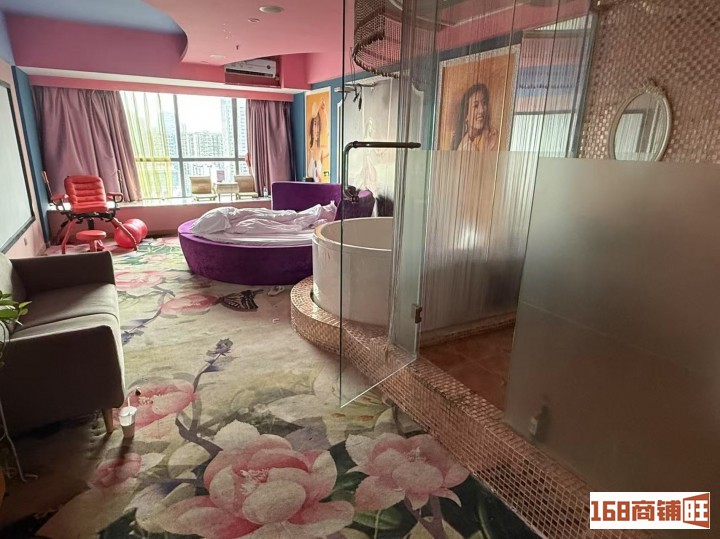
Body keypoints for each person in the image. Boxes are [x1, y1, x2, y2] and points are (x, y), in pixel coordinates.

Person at [452, 83, 499, 151]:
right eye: (476, 106)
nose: (481, 110)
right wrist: (488, 148)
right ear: (466, 116)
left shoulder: (484, 137)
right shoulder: (467, 147)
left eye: (484, 103)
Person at [307, 99, 330, 182]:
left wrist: (325, 112)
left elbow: (329, 135)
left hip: (320, 188)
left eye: (319, 125)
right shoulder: (308, 152)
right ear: (311, 127)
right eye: (315, 124)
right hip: (309, 189)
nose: (317, 129)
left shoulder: (322, 150)